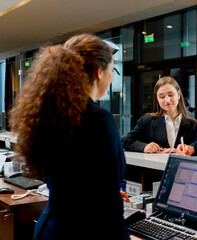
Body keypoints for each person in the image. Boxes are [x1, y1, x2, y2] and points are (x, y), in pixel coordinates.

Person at [10, 34, 129, 240]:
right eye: (112, 71)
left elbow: (69, 179)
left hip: (51, 227)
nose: (111, 78)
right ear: (99, 73)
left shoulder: (49, 114)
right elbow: (108, 206)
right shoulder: (99, 119)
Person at [123, 76, 197, 153]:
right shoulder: (146, 121)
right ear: (157, 99)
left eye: (171, 95)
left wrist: (186, 150)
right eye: (162, 97)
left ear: (178, 95)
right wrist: (144, 147)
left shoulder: (193, 125)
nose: (167, 100)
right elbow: (126, 141)